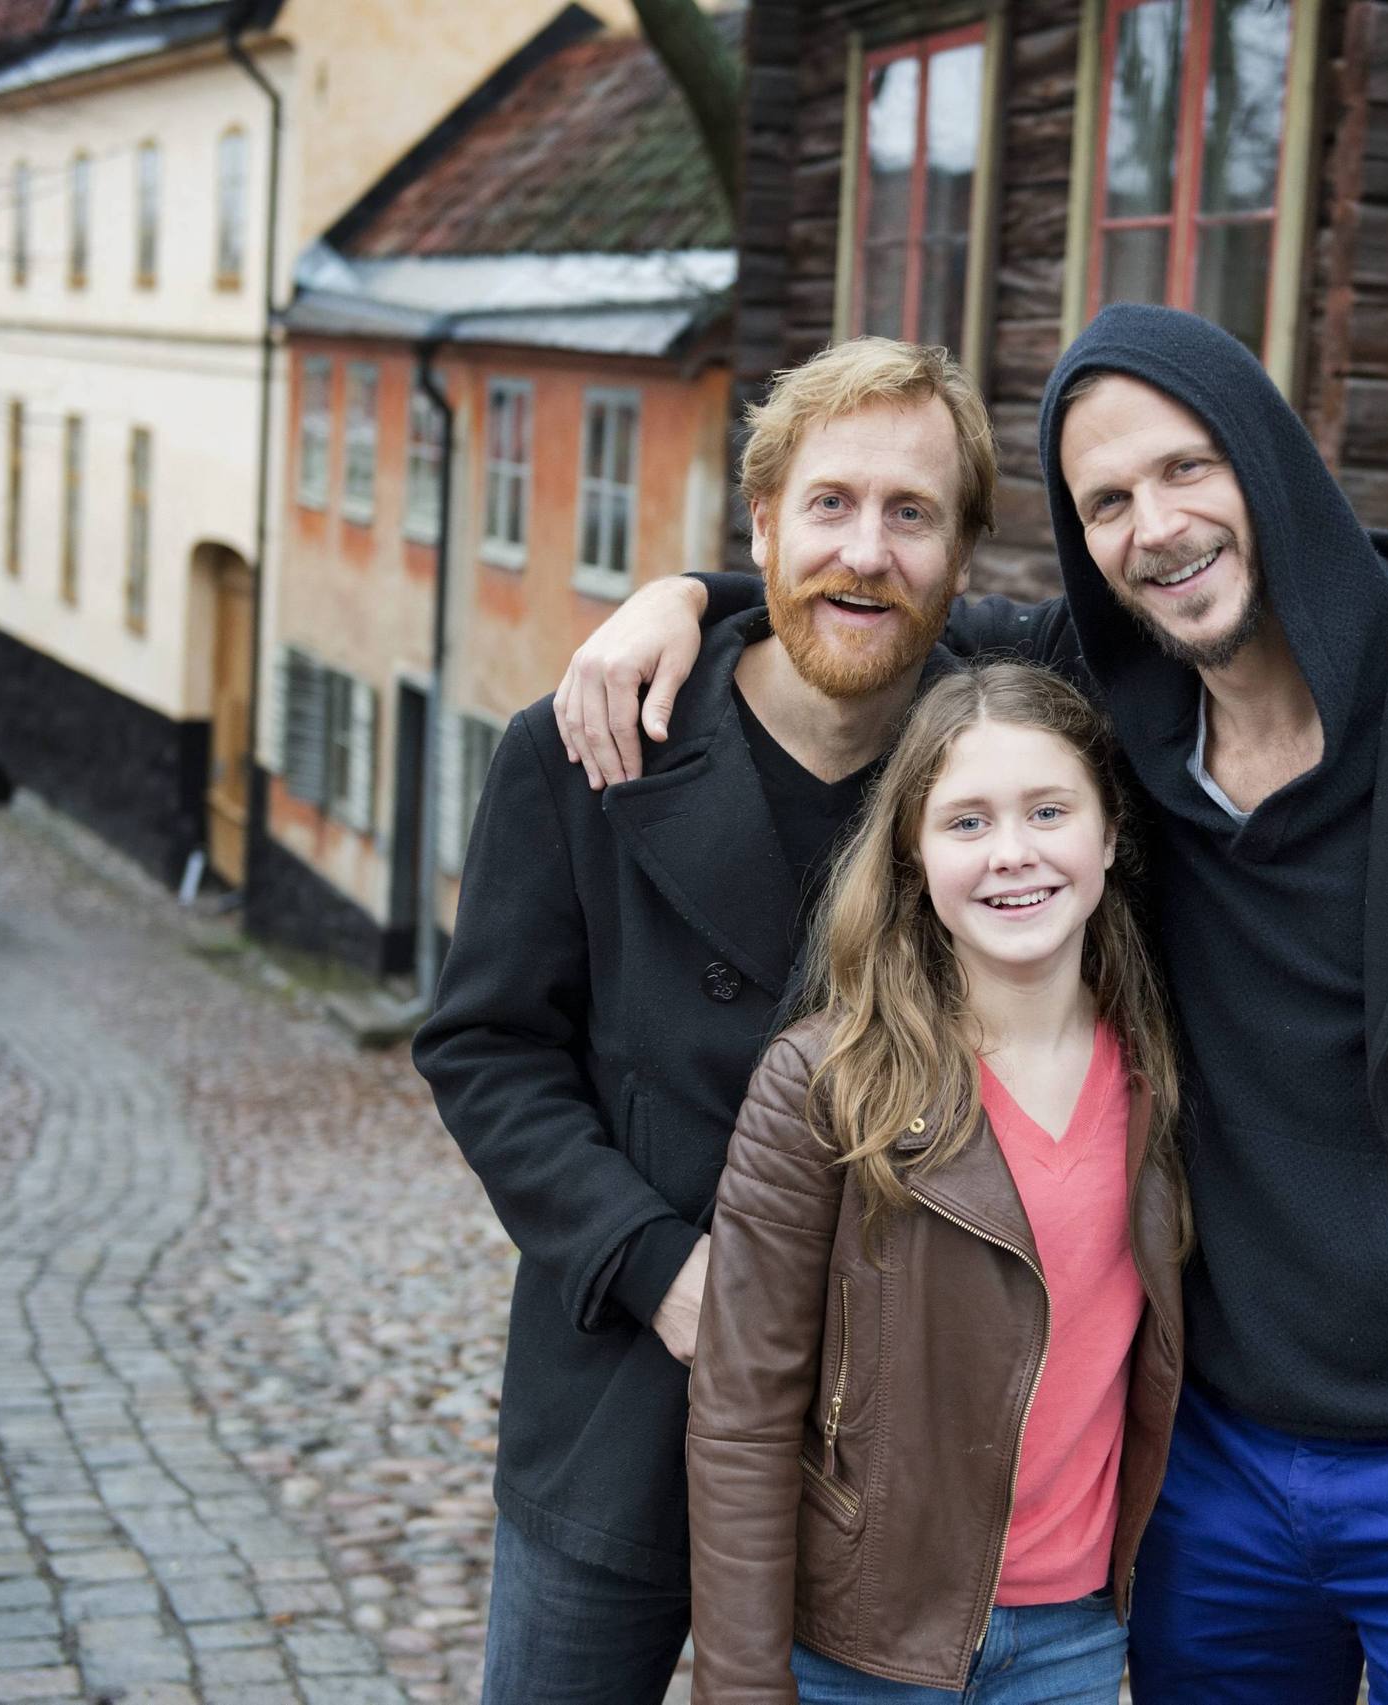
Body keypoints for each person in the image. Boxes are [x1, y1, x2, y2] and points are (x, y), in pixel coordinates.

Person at [550, 304, 1388, 1703]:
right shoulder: (1114, 715)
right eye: (1106, 502)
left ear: (1270, 460)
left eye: (1187, 468)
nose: (1154, 525)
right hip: (1210, 1476)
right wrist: (686, 595)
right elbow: (880, 603)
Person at [410, 338, 999, 1705]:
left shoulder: (995, 769)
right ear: (763, 524)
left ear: (962, 552)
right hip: (624, 1397)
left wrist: (690, 589)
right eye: (831, 505)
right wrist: (660, 1269)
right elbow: (485, 1049)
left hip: (886, 1440)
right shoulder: (586, 747)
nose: (866, 551)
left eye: (913, 514)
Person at [687, 661, 1187, 1703]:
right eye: (965, 821)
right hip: (863, 1648)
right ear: (913, 855)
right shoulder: (824, 1083)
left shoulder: (1163, 1070)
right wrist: (741, 1681)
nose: (1012, 853)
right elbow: (741, 1412)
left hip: (1076, 1639)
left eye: (1048, 810)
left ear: (1108, 838)